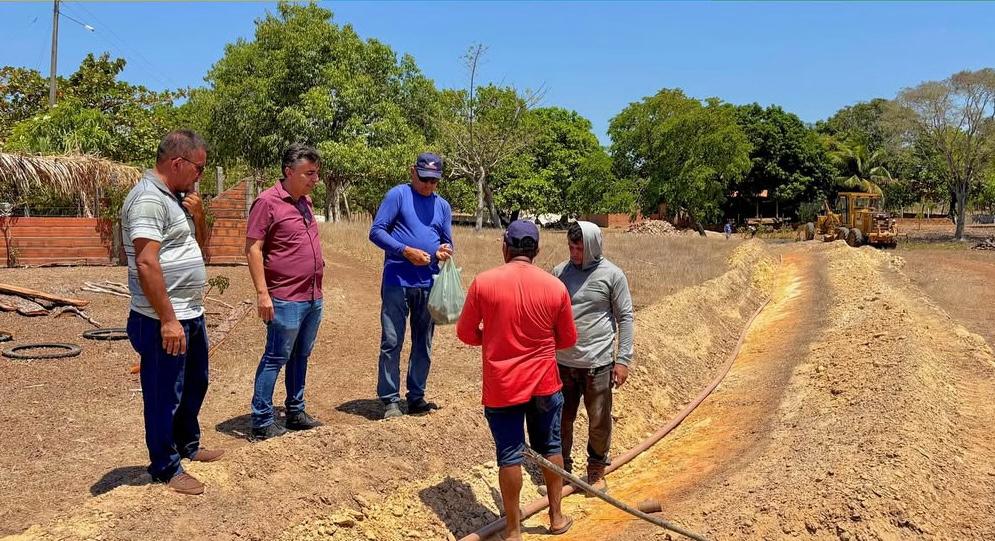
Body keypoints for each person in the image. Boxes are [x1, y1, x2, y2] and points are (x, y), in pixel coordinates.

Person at [456, 220, 577, 540]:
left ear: (505, 248)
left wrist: (493, 338)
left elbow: (465, 332)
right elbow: (567, 338)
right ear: (536, 250)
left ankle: (513, 530)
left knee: (509, 455)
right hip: (544, 383)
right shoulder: (555, 287)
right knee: (551, 447)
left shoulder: (484, 283)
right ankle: (556, 517)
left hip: (503, 386)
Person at [122, 130, 223, 496]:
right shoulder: (148, 199)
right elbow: (146, 263)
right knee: (164, 394)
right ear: (177, 163)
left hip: (190, 312)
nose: (200, 175)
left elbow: (200, 249)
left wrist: (199, 217)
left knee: (195, 383)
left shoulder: (176, 199)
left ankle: (187, 445)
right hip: (161, 318)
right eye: (199, 168)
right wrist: (168, 319)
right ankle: (166, 466)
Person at [245, 144, 325, 441]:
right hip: (284, 297)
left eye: (316, 173)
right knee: (276, 356)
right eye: (309, 173)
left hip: (312, 296)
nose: (315, 179)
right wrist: (262, 294)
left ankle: (295, 411)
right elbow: (253, 249)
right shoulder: (267, 202)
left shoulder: (305, 202)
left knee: (301, 355)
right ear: (289, 172)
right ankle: (262, 420)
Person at [369, 152, 453, 420]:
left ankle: (416, 397)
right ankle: (390, 400)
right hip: (397, 280)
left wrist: (443, 251)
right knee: (392, 340)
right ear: (412, 171)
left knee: (423, 342)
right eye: (424, 179)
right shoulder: (398, 195)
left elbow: (447, 240)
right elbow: (376, 232)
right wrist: (405, 251)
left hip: (428, 283)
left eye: (434, 181)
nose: (428, 185)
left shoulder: (443, 206)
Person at [552, 221, 634, 490]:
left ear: (593, 247)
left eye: (580, 248)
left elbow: (625, 317)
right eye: (571, 247)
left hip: (598, 363)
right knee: (561, 418)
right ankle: (561, 471)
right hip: (563, 362)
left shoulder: (613, 276)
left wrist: (623, 359)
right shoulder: (559, 273)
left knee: (599, 419)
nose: (575, 253)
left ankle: (596, 470)